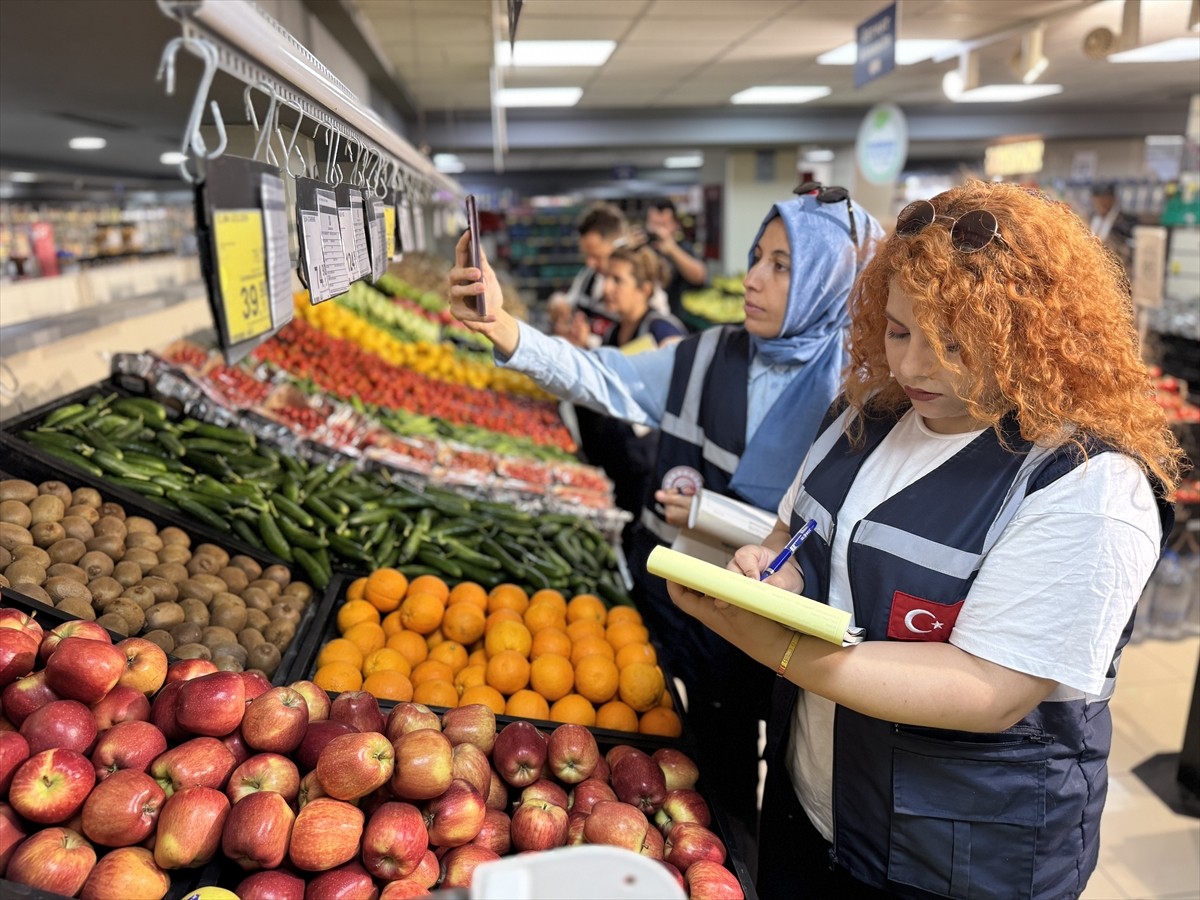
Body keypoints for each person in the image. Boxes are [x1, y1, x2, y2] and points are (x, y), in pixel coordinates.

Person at [663, 181, 1184, 899]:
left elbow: (988, 689)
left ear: (1025, 334)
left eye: (952, 345)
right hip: (811, 813)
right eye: (900, 331)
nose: (910, 368)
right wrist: (771, 571)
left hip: (953, 863)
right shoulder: (864, 418)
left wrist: (779, 647)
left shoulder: (1087, 486)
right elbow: (797, 536)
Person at [448, 189, 884, 851]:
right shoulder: (706, 354)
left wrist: (712, 513)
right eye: (754, 258)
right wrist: (505, 329)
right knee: (685, 774)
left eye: (782, 266)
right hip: (680, 614)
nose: (752, 279)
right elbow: (601, 376)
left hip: (779, 641)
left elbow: (827, 536)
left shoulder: (858, 396)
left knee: (754, 790)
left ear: (832, 281)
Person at [572, 244, 685, 537]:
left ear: (645, 289)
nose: (606, 288)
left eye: (617, 280)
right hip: (617, 460)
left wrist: (674, 354)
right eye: (606, 278)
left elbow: (680, 357)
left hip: (646, 468)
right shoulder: (614, 331)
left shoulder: (659, 328)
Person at [644, 197, 707, 325]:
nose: (658, 230)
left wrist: (672, 250)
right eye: (653, 224)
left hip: (676, 320)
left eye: (663, 225)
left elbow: (700, 275)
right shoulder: (644, 250)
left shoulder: (683, 248)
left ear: (675, 225)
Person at [1088, 182, 1137, 269]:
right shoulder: (1090, 219)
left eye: (1103, 200)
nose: (1100, 204)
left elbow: (1128, 252)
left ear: (1112, 199)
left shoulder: (1126, 222)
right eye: (1097, 200)